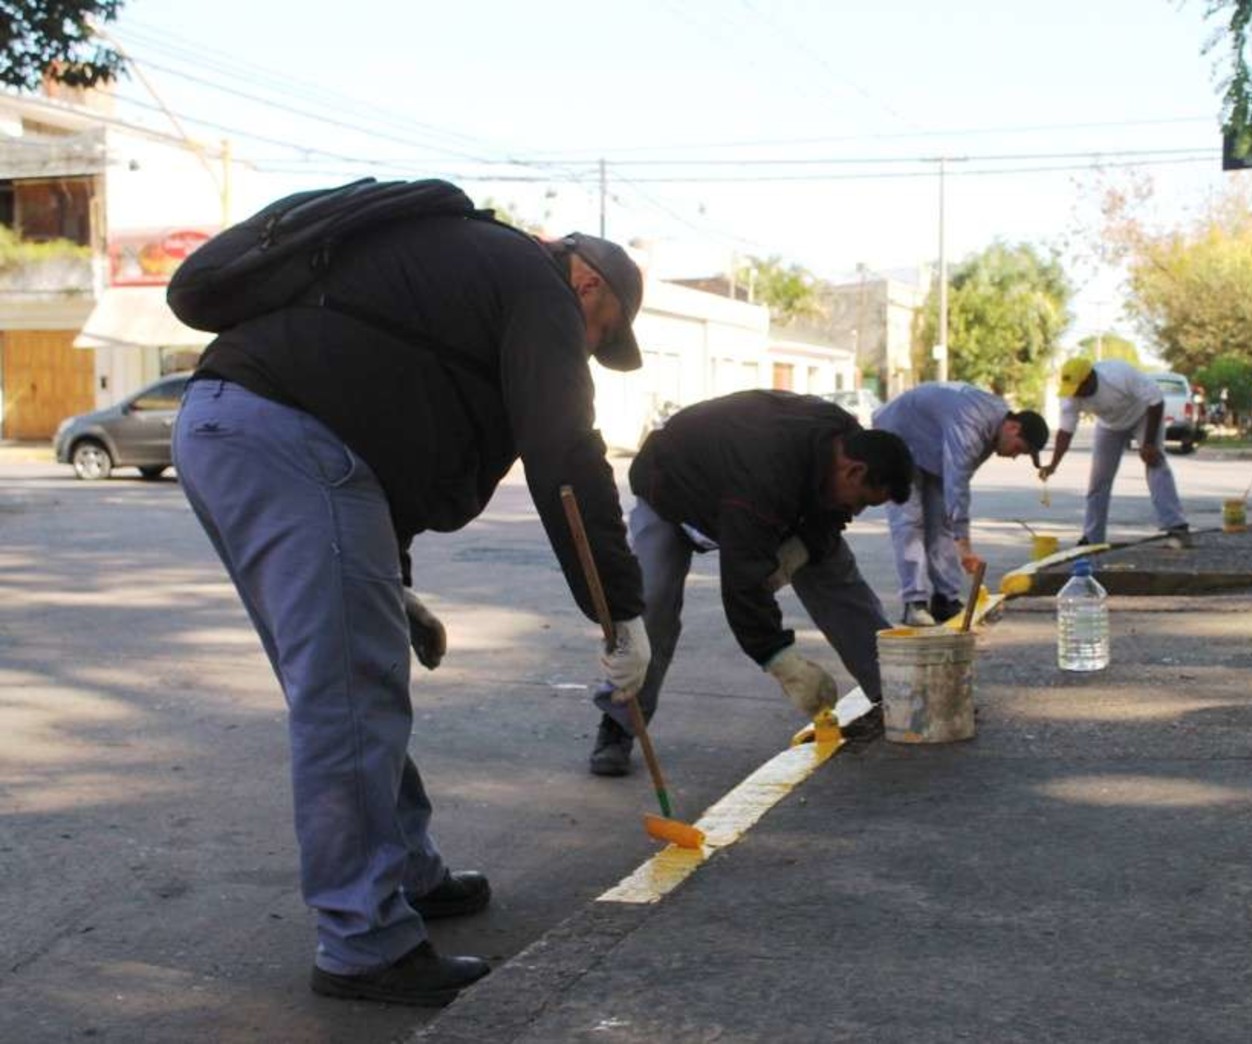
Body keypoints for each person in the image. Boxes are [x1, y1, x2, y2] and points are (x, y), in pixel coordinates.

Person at [172, 220, 652, 1006]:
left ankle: (401, 870)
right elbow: (564, 452)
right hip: (284, 436)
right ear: (589, 285)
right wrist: (620, 611)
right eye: (598, 338)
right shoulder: (536, 286)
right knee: (348, 700)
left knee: (350, 684)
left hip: (240, 426)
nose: (586, 352)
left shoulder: (458, 273)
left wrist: (391, 585)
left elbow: (381, 417)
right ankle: (363, 942)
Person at [589, 389, 915, 777]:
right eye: (861, 501)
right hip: (672, 488)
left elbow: (827, 520)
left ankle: (896, 696)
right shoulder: (766, 472)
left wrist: (804, 548)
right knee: (651, 605)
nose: (856, 512)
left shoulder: (842, 439)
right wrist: (780, 659)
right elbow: (742, 583)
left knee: (836, 575)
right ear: (854, 471)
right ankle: (619, 723)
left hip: (741, 488)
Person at [871, 382, 1050, 626]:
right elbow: (958, 484)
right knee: (909, 521)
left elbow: (956, 489)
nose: (1015, 455)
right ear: (1012, 427)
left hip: (931, 445)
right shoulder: (971, 423)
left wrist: (958, 532)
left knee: (943, 522)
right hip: (898, 434)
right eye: (1020, 448)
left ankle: (946, 599)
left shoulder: (994, 429)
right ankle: (914, 603)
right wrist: (964, 546)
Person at [1037, 357, 1191, 548]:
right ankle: (1092, 539)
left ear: (1090, 378)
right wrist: (1053, 464)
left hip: (1144, 415)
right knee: (1098, 480)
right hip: (1109, 426)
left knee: (1155, 464)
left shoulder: (1118, 374)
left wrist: (1149, 444)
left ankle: (1176, 525)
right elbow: (1066, 432)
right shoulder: (1071, 397)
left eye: (1078, 387)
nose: (1075, 393)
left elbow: (1156, 400)